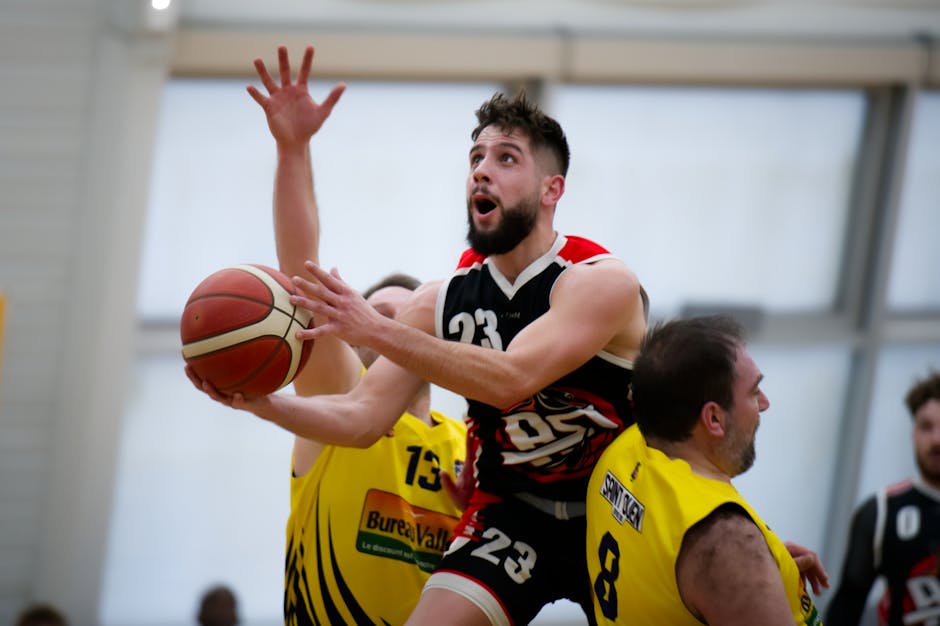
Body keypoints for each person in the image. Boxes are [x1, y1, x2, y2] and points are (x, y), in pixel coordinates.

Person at [188, 43, 649, 625]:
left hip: (608, 505)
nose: (481, 167)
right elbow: (356, 413)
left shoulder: (598, 283)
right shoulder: (427, 313)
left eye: (506, 158)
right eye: (476, 156)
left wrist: (697, 536)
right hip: (514, 518)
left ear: (552, 189)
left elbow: (513, 380)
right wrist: (261, 402)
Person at [245, 45, 467, 625]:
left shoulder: (470, 445)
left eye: (405, 318)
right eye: (375, 316)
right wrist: (293, 151)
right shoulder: (337, 393)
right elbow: (300, 267)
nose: (389, 326)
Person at [585, 315, 829, 625]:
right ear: (713, 419)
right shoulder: (725, 542)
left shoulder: (618, 453)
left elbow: (657, 563)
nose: (765, 404)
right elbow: (709, 550)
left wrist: (768, 571)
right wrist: (745, 573)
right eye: (754, 392)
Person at [825, 370, 940, 626]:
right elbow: (847, 606)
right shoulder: (881, 511)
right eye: (926, 427)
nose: (936, 440)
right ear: (912, 433)